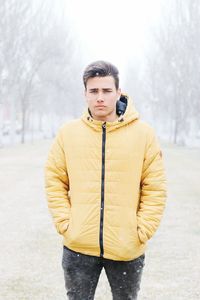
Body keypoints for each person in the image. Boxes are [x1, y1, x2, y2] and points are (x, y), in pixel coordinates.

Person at [45, 60, 167, 300]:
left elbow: (155, 186)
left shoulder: (143, 134)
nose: (100, 97)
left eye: (106, 90)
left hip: (126, 247)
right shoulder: (68, 133)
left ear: (118, 92)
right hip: (78, 246)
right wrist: (66, 224)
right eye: (94, 91)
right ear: (85, 94)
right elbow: (54, 180)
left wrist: (142, 230)